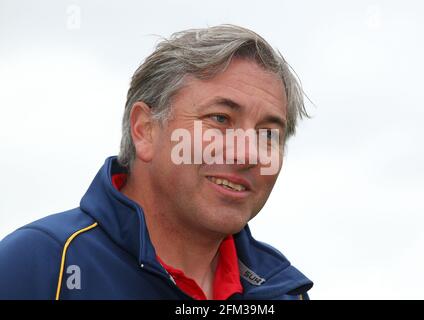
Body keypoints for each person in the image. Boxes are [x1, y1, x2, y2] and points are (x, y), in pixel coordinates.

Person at [0, 24, 313, 300]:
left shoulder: (284, 292)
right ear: (144, 129)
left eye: (268, 134)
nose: (248, 154)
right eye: (220, 118)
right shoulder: (41, 265)